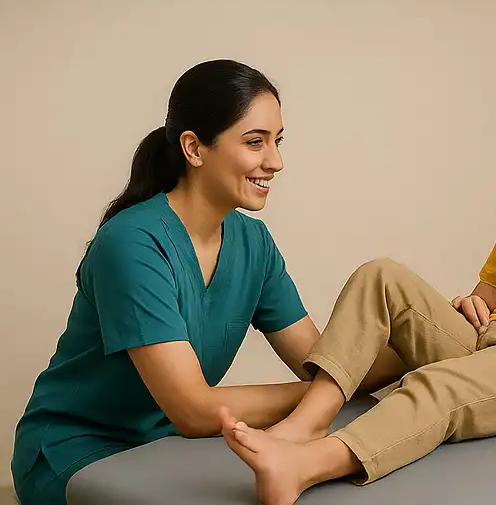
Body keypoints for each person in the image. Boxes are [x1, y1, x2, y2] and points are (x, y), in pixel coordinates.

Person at [217, 62, 496, 503]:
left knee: (439, 384)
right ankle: (309, 421)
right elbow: (487, 297)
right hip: (492, 344)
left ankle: (306, 465)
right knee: (381, 274)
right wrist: (471, 303)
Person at [11, 62, 327, 505]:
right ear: (194, 149)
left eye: (277, 141)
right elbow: (195, 410)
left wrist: (436, 330)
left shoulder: (253, 242)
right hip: (79, 452)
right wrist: (325, 394)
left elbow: (321, 361)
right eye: (255, 142)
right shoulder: (132, 243)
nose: (275, 162)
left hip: (166, 445)